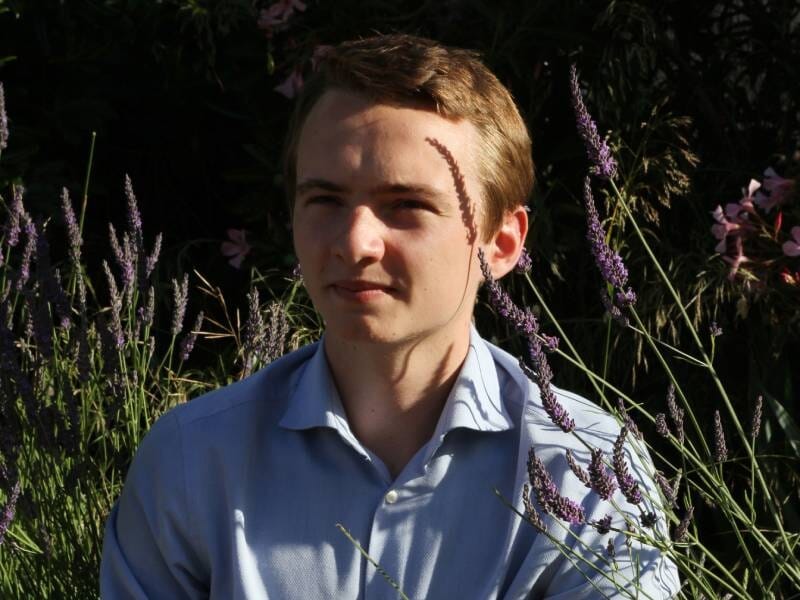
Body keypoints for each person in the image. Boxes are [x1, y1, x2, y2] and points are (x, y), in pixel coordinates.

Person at [101, 34, 679, 599]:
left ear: (503, 243)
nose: (356, 243)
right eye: (325, 200)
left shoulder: (588, 468)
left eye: (406, 205)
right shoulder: (193, 461)